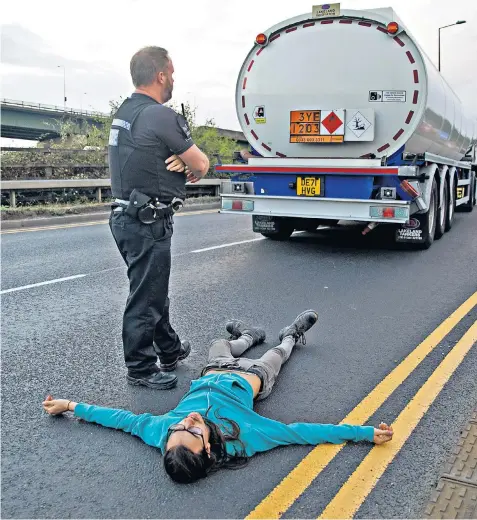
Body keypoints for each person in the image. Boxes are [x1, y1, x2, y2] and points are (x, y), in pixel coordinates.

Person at [43, 310, 394, 484]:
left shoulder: (160, 432)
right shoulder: (245, 438)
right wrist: (364, 433)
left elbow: (119, 419)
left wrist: (71, 405)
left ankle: (245, 335)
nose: (187, 422)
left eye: (178, 427)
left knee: (220, 345)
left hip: (214, 370)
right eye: (193, 432)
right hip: (252, 377)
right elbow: (304, 432)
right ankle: (292, 335)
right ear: (209, 450)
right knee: (278, 354)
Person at [107, 46, 210, 390]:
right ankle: (140, 367)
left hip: (127, 217)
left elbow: (145, 155)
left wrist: (179, 162)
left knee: (153, 289)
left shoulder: (126, 112)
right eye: (172, 73)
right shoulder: (158, 115)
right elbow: (202, 164)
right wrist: (189, 163)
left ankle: (169, 349)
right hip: (147, 221)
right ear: (161, 75)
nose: (174, 80)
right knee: (148, 295)